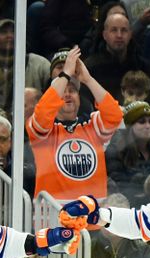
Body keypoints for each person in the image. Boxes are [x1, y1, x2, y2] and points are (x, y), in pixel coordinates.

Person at [26, 46, 123, 201]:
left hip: (90, 218)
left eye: (72, 90)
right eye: (63, 90)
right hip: (53, 217)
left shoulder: (93, 128)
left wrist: (88, 80)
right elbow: (43, 115)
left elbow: (115, 115)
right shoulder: (40, 130)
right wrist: (65, 74)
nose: (67, 94)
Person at [0, 19, 50, 116]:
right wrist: (0, 117)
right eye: (3, 32)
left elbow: (52, 98)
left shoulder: (41, 64)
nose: (10, 36)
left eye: (14, 32)